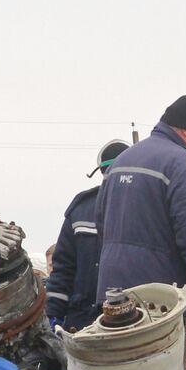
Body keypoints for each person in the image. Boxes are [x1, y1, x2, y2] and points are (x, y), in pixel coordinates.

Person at [95, 96, 186, 300]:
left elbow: (100, 220)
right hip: (156, 294)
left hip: (111, 288)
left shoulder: (122, 160)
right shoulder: (183, 164)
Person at [46, 140, 129, 332]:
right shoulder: (80, 210)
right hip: (82, 322)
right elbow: (63, 270)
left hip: (129, 318)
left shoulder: (147, 208)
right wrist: (52, 316)